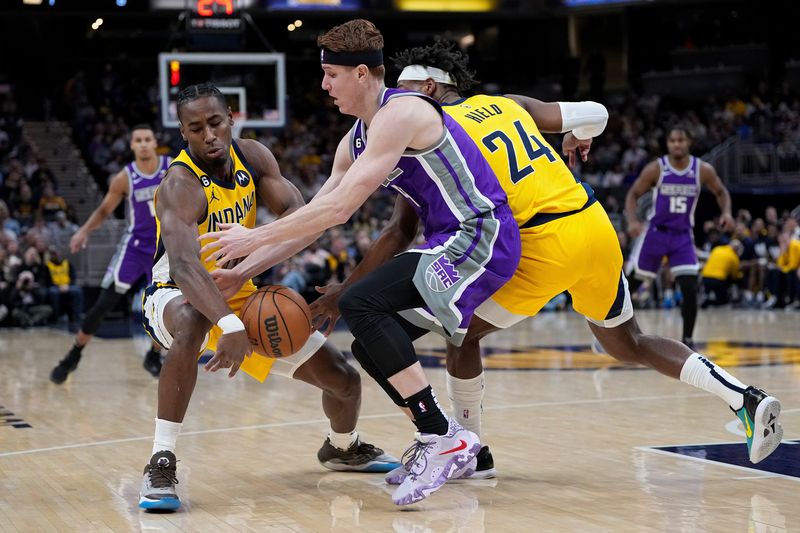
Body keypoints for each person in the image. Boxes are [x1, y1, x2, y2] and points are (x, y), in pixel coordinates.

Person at [306, 41, 783, 484]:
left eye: (403, 91)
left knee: (462, 332)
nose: (391, 102)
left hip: (539, 243)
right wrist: (578, 134)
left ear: (428, 89)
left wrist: (346, 291)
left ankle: (474, 452)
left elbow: (398, 231)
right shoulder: (509, 103)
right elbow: (596, 112)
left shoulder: (425, 134)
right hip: (593, 225)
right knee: (629, 342)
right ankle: (745, 398)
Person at [201, 21, 522, 506]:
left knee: (360, 300)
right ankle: (440, 436)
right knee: (372, 343)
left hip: (481, 236)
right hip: (447, 243)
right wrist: (242, 271)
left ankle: (444, 437)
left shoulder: (403, 111)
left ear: (363, 73)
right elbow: (313, 220)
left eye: (331, 74)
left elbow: (340, 210)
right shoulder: (355, 139)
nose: (324, 85)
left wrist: (253, 236)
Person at [137, 82, 399, 512]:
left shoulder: (254, 157)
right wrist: (230, 323)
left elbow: (300, 218)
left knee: (345, 382)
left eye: (216, 123)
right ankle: (161, 459)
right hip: (175, 292)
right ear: (183, 133)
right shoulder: (180, 184)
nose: (209, 135)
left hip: (241, 288)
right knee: (193, 320)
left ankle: (341, 446)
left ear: (231, 119)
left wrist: (247, 276)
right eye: (196, 128)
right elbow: (185, 267)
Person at [50, 124, 169, 384]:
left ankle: (154, 354)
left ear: (154, 142)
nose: (144, 144)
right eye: (138, 140)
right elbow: (104, 211)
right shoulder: (124, 178)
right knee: (104, 303)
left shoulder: (172, 167)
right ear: (132, 146)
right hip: (135, 247)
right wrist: (83, 232)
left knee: (164, 307)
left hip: (164, 249)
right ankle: (74, 353)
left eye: (148, 139)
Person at [625, 127, 736, 347]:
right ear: (667, 143)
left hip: (682, 236)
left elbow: (721, 192)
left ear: (689, 142)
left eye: (681, 140)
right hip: (656, 234)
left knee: (690, 287)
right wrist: (632, 221)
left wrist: (727, 213)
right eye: (672, 140)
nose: (676, 144)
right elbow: (633, 194)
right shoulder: (657, 168)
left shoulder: (701, 170)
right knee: (632, 285)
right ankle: (612, 333)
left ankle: (688, 340)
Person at [700, 239, 743, 307]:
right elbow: (735, 275)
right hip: (719, 280)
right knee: (722, 301)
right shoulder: (734, 257)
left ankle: (707, 299)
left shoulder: (717, 249)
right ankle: (711, 301)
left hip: (705, 277)